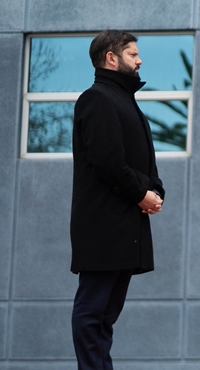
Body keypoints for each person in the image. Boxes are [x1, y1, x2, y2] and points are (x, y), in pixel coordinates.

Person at [70, 30, 165, 369]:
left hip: (125, 229)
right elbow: (108, 163)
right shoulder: (97, 99)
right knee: (92, 313)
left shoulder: (126, 102)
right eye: (132, 54)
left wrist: (155, 192)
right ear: (111, 58)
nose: (140, 60)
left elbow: (144, 162)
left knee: (105, 318)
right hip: (103, 229)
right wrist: (143, 194)